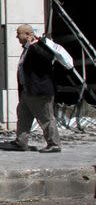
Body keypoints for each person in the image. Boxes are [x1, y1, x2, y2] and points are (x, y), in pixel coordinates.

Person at [12, 24, 62, 153]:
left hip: (39, 92)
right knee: (23, 116)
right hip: (27, 90)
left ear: (28, 34)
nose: (17, 36)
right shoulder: (28, 48)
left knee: (46, 117)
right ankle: (21, 142)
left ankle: (54, 143)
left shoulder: (39, 47)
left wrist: (35, 43)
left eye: (19, 33)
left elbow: (48, 58)